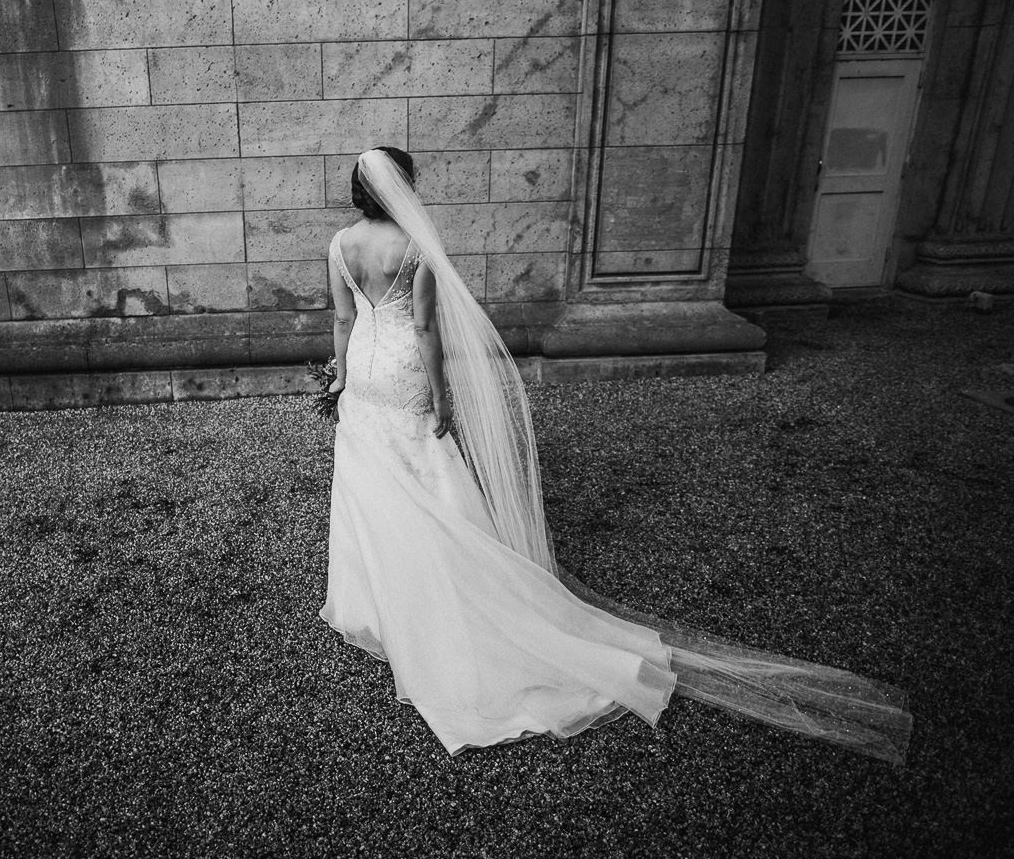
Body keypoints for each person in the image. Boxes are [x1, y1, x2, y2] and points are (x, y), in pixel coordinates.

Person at [319, 146, 913, 762]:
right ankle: (453, 588)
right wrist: (444, 398)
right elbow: (423, 329)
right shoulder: (415, 245)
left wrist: (339, 378)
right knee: (427, 468)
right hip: (405, 370)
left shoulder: (340, 245)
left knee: (376, 474)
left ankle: (381, 603)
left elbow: (342, 319)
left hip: (364, 372)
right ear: (402, 187)